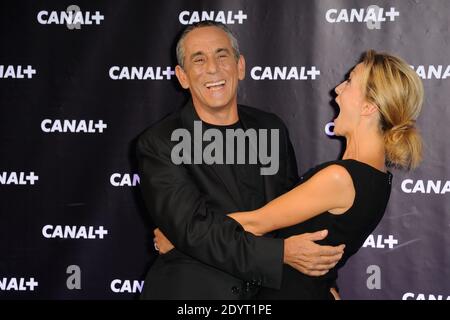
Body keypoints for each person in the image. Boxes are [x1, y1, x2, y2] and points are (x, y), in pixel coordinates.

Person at [154, 50, 424, 299]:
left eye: (350, 82)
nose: (337, 89)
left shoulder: (340, 178)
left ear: (369, 107)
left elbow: (256, 223)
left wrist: (181, 238)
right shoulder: (378, 178)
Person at [137, 21, 344, 300]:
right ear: (182, 76)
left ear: (240, 66)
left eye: (222, 56)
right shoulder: (160, 141)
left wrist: (322, 283)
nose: (212, 68)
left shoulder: (271, 128)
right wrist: (280, 254)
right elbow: (195, 231)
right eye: (198, 60)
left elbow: (296, 215)